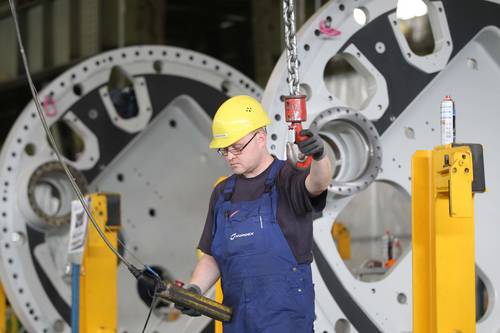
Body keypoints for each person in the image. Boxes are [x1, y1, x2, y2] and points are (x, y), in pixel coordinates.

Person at [178, 95, 332, 332]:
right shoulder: (222, 193)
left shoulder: (287, 178)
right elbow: (212, 256)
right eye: (224, 150)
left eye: (236, 148)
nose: (230, 156)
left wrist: (320, 157)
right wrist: (195, 289)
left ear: (260, 138)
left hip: (286, 322)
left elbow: (318, 184)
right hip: (238, 322)